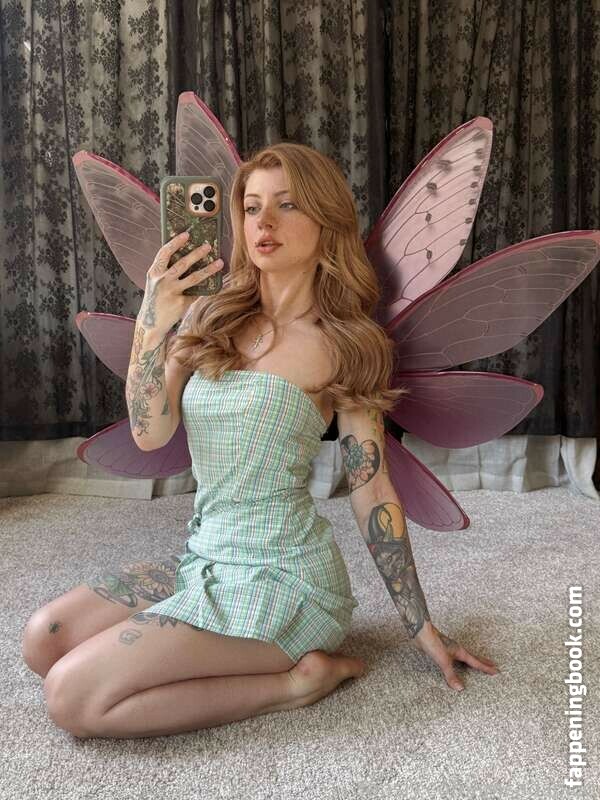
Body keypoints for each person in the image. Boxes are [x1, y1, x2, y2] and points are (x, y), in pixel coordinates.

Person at [22, 142, 498, 740]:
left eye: (287, 205)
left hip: (286, 581)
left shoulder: (348, 343)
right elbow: (149, 432)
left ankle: (297, 683)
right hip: (205, 560)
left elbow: (372, 489)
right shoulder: (209, 318)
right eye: (250, 208)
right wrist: (153, 317)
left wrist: (420, 625)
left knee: (71, 698)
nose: (263, 222)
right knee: (44, 640)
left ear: (326, 222)